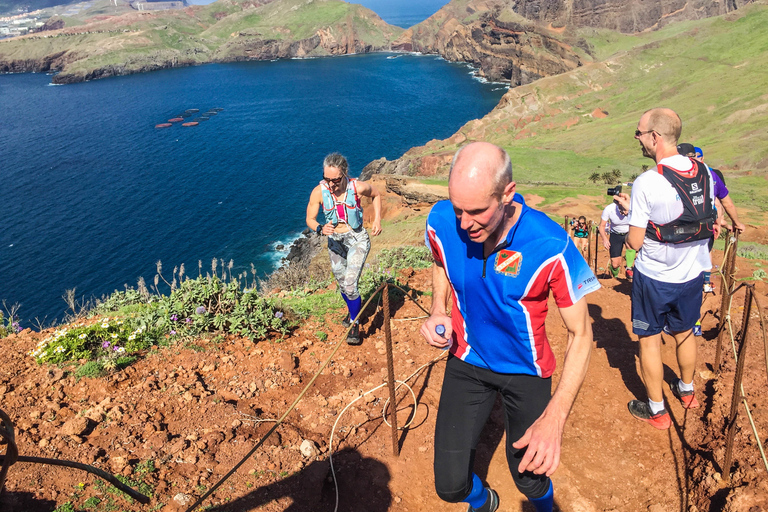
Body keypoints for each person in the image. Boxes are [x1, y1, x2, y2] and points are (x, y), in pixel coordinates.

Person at [420, 142, 599, 512]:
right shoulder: (441, 222)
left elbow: (582, 334)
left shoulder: (550, 244)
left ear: (507, 194)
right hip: (467, 360)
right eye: (458, 209)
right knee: (450, 486)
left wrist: (555, 417)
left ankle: (546, 507)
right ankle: (483, 500)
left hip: (526, 372)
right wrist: (439, 309)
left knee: (528, 478)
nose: (465, 223)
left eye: (477, 211)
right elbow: (440, 259)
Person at [613, 108, 717, 429]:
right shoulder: (705, 172)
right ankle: (686, 392)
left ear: (655, 137)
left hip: (655, 277)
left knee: (649, 340)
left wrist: (632, 211)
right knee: (685, 332)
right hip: (692, 274)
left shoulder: (647, 182)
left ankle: (656, 410)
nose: (638, 138)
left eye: (640, 132)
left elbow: (633, 242)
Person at [305, 153, 382, 345]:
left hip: (357, 239)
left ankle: (355, 323)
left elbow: (376, 194)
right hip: (335, 243)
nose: (331, 184)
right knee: (343, 285)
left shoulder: (357, 187)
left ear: (345, 174)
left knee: (349, 285)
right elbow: (310, 219)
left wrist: (378, 219)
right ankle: (353, 312)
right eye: (327, 179)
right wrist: (320, 228)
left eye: (335, 180)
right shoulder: (318, 192)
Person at [678, 143, 746, 293]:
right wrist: (733, 222)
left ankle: (689, 283)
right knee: (704, 249)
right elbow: (722, 203)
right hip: (704, 223)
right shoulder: (711, 174)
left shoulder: (672, 173)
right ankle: (705, 283)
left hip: (681, 225)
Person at [598, 202, 636, 279]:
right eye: (622, 212)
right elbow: (601, 226)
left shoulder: (633, 207)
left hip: (629, 232)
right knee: (615, 264)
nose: (625, 214)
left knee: (630, 245)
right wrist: (605, 239)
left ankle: (629, 268)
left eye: (627, 212)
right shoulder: (609, 209)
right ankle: (615, 276)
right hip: (615, 234)